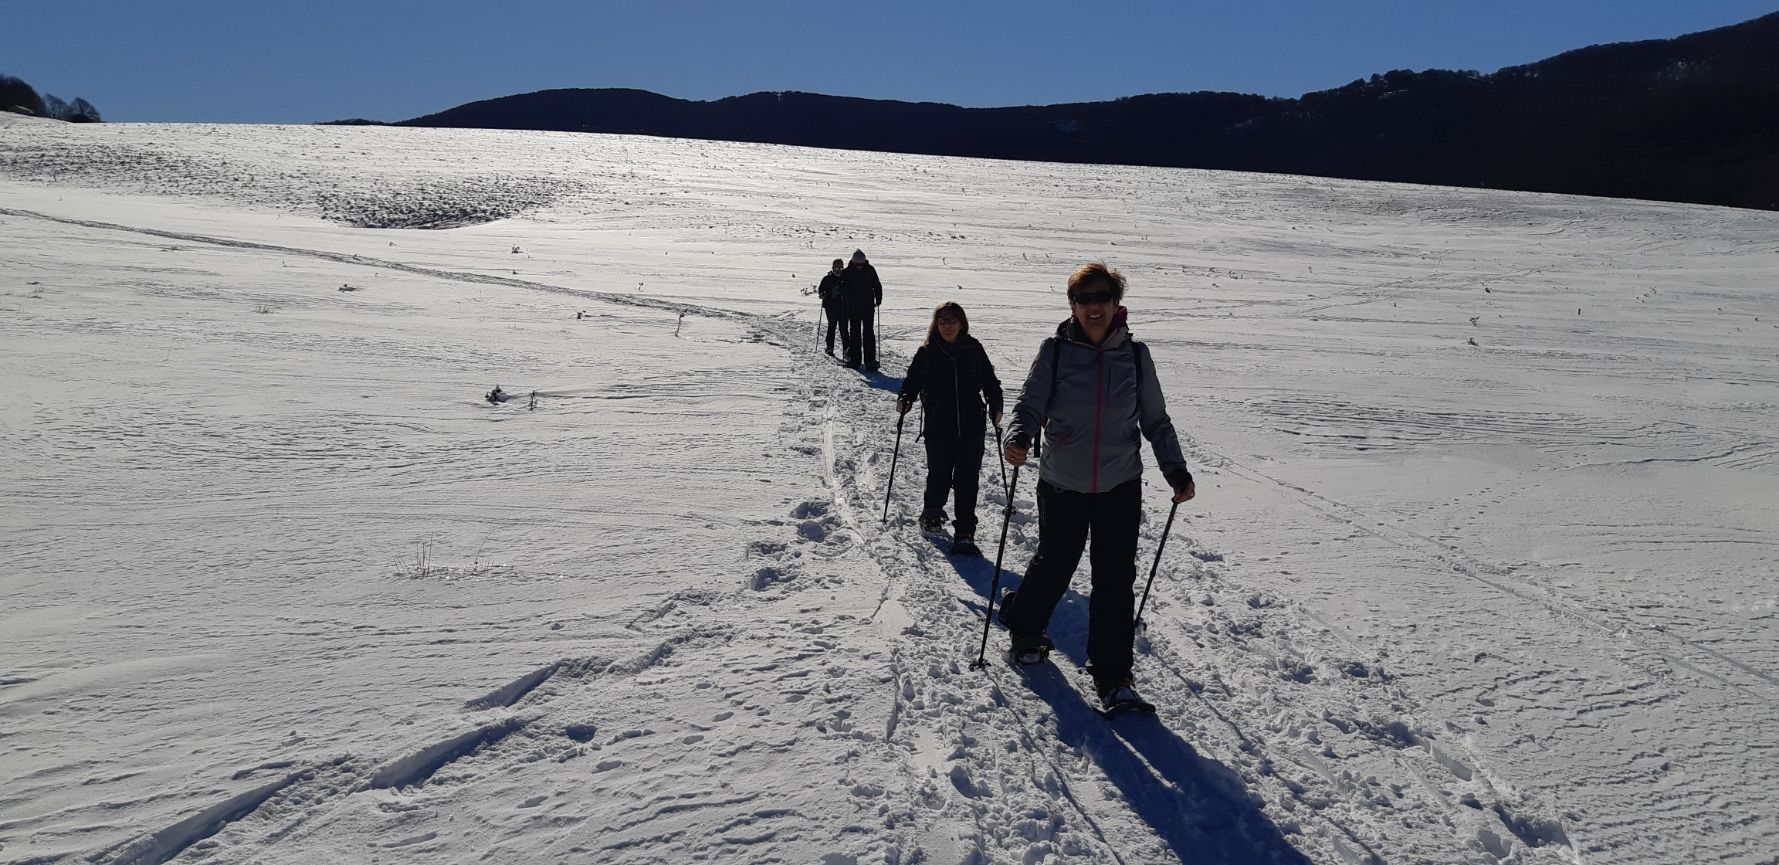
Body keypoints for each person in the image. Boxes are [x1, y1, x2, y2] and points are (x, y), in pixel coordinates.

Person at [998, 263, 1195, 711]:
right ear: (1072, 305)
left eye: (1101, 297)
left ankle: (1112, 675)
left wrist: (1176, 471)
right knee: (1056, 562)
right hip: (1062, 481)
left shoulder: (1136, 357)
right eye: (1083, 298)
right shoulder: (1055, 351)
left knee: (1114, 579)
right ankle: (1026, 625)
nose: (1093, 306)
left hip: (1120, 484)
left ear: (1116, 303)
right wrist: (1019, 435)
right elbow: (1029, 403)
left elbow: (1156, 421)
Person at [897, 303, 1003, 550]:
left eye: (952, 321)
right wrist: (905, 399)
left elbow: (990, 381)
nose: (947, 326)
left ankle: (965, 530)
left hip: (971, 427)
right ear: (936, 324)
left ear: (961, 323)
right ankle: (932, 514)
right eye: (942, 321)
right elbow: (911, 381)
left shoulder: (974, 349)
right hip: (938, 425)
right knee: (939, 475)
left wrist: (995, 404)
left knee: (967, 479)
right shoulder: (927, 352)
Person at [840, 249, 882, 370]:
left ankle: (870, 361)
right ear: (853, 262)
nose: (859, 266)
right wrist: (841, 288)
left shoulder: (870, 270)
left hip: (868, 307)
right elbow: (840, 285)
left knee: (868, 333)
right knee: (855, 334)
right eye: (857, 264)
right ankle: (855, 360)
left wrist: (878, 298)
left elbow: (877, 285)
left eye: (861, 264)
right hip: (853, 308)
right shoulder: (847, 272)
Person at [817, 258, 847, 357]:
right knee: (832, 327)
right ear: (832, 268)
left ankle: (846, 350)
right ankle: (830, 348)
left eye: (840, 268)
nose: (838, 270)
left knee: (844, 329)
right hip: (830, 307)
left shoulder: (845, 279)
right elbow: (821, 289)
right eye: (836, 268)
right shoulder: (827, 279)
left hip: (843, 308)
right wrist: (822, 294)